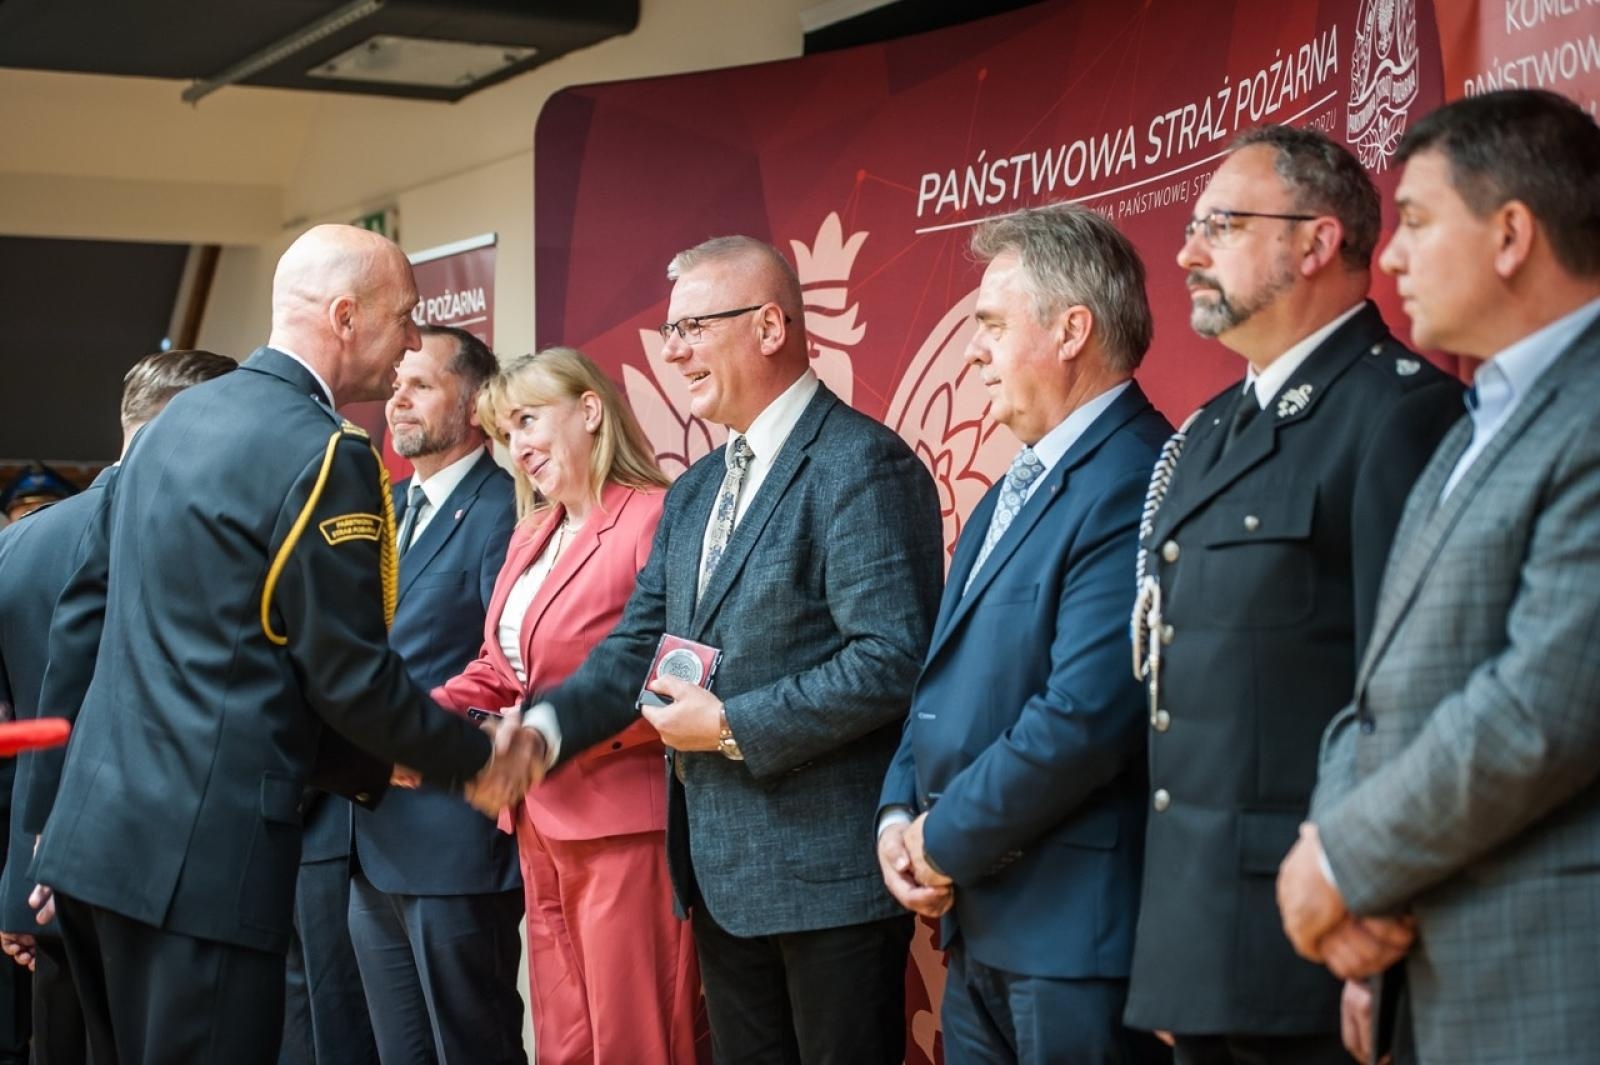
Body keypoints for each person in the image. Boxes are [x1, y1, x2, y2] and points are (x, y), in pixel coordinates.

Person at [27, 224, 542, 1065]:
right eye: (405, 317)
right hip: (204, 864)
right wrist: (471, 757)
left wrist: (51, 813)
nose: (414, 337)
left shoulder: (175, 420)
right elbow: (347, 675)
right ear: (346, 316)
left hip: (100, 846)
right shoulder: (323, 451)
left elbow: (85, 614)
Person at [522, 236, 945, 1064]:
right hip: (718, 880)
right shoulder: (695, 490)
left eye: (691, 328)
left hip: (829, 887)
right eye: (669, 332)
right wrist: (541, 732)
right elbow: (631, 650)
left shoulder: (863, 465)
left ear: (769, 325)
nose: (672, 350)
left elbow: (890, 658)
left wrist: (730, 725)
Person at [1120, 125, 1462, 1065]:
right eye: (1190, 228)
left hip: (1318, 941)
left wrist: (1376, 936)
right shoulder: (1207, 431)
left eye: (1220, 226)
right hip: (1202, 944)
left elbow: (1404, 697)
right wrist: (1175, 945)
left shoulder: (1401, 414)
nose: (1187, 252)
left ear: (1316, 242)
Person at [1275, 88, 1600, 1065]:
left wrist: (1338, 861)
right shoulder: (1475, 422)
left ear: (1510, 235)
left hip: (1549, 981)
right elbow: (1378, 697)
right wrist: (1341, 881)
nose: (1391, 255)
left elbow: (1540, 707)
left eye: (1414, 220)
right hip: (1425, 970)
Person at [877, 205, 1172, 1063]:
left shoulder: (1136, 475)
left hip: (1073, 943)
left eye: (993, 325)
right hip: (981, 930)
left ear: (1072, 329)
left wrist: (935, 840)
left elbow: (1086, 714)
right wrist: (897, 813)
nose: (974, 349)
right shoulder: (1015, 483)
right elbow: (938, 687)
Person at [432, 347, 704, 1063]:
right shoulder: (532, 532)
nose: (517, 445)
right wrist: (414, 721)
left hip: (624, 828)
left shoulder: (655, 516)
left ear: (590, 410)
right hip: (537, 826)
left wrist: (543, 739)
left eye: (528, 419)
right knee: (564, 1044)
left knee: (637, 1043)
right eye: (504, 430)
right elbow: (500, 668)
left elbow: (671, 679)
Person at [0, 348, 237, 1065]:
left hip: (42, 875)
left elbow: (12, 730)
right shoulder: (199, 540)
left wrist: (15, 881)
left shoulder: (15, 545)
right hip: (162, 877)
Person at [338, 324, 522, 1065]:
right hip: (369, 833)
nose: (397, 399)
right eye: (395, 385)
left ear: (475, 403)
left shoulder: (506, 509)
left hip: (454, 836)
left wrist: (415, 737)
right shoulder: (380, 505)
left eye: (420, 385)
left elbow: (508, 663)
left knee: (470, 1048)